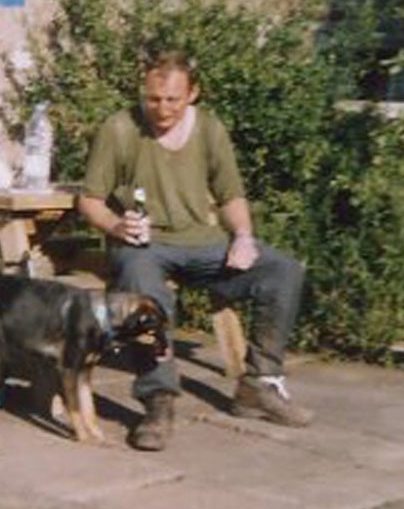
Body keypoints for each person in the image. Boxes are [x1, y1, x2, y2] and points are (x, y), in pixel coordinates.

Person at [78, 49, 312, 450]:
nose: (162, 108)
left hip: (204, 243)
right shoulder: (119, 129)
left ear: (193, 94)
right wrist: (116, 225)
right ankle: (158, 400)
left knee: (282, 270)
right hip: (144, 245)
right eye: (153, 98)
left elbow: (231, 194)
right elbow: (89, 201)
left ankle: (259, 384)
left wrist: (242, 236)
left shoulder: (209, 129)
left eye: (172, 99)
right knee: (141, 284)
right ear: (143, 92)